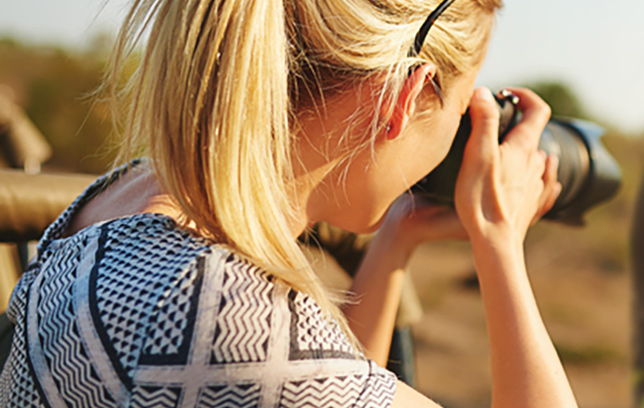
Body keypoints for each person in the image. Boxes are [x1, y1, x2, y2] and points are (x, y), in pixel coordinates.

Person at [0, 0, 578, 406]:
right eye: (458, 112)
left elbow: (328, 385)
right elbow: (295, 375)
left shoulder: (124, 196)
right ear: (407, 97)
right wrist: (499, 240)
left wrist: (396, 234)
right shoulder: (221, 318)